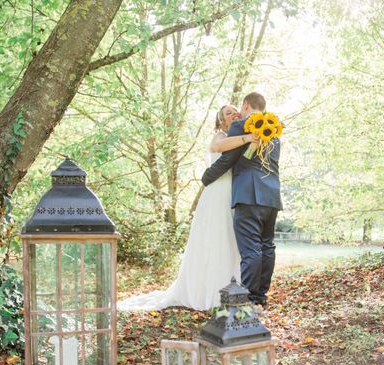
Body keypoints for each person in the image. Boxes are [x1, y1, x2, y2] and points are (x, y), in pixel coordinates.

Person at [118, 105, 257, 311]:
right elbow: (219, 149)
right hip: (217, 193)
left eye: (236, 111)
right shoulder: (219, 137)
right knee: (215, 238)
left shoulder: (241, 136)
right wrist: (247, 138)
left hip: (234, 193)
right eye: (229, 113)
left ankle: (233, 289)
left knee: (230, 239)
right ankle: (209, 292)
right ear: (221, 122)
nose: (235, 113)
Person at [202, 92, 282, 307]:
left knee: (251, 250)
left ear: (246, 105)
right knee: (267, 246)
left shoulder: (241, 126)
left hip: (248, 195)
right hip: (272, 194)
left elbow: (227, 159)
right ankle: (260, 297)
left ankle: (245, 300)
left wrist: (207, 177)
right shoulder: (274, 131)